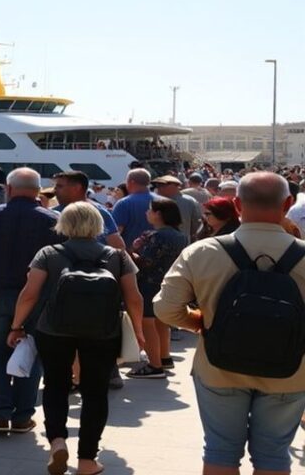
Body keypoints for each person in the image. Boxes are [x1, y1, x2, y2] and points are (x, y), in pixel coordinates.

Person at [154, 172, 305, 475]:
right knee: (274, 454)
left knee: (221, 450)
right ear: (287, 203)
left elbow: (165, 309)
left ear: (237, 204)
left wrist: (199, 322)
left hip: (219, 367)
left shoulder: (202, 251)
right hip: (290, 370)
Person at [7, 202, 144, 475]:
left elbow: (30, 293)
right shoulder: (118, 256)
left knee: (56, 385)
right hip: (103, 331)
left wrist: (16, 325)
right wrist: (138, 332)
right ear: (98, 225)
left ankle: (57, 441)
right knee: (95, 392)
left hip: (53, 329)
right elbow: (134, 298)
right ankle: (87, 460)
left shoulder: (48, 253)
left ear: (64, 225)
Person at [0, 167, 64, 434]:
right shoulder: (53, 220)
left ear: (8, 188)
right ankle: (22, 416)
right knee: (30, 351)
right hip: (37, 298)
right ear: (38, 191)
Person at [127, 198, 187, 378]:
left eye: (150, 210)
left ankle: (154, 365)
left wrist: (132, 251)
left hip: (149, 283)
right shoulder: (180, 235)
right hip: (167, 282)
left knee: (147, 322)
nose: (147, 213)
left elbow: (145, 262)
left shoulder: (158, 235)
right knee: (161, 321)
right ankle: (164, 357)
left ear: (159, 214)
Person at [52, 171, 125, 250]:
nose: (54, 190)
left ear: (77, 188)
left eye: (59, 186)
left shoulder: (99, 213)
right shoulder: (52, 213)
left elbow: (119, 247)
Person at [112, 168, 157, 249]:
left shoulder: (124, 203)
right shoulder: (164, 201)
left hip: (131, 254)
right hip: (159, 252)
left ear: (131, 182)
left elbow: (115, 232)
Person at [151, 175, 201, 242]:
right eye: (157, 186)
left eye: (161, 185)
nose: (158, 188)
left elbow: (196, 224)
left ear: (173, 186)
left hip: (178, 243)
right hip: (169, 243)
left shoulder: (189, 201)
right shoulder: (156, 201)